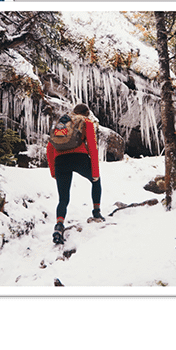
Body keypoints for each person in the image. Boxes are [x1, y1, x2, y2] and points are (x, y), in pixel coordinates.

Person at [47, 103, 104, 244]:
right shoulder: (86, 122)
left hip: (60, 161)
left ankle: (59, 225)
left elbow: (50, 147)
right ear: (86, 113)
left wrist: (53, 171)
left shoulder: (63, 123)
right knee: (96, 181)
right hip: (79, 159)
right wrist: (95, 172)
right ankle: (96, 212)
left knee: (63, 199)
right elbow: (92, 146)